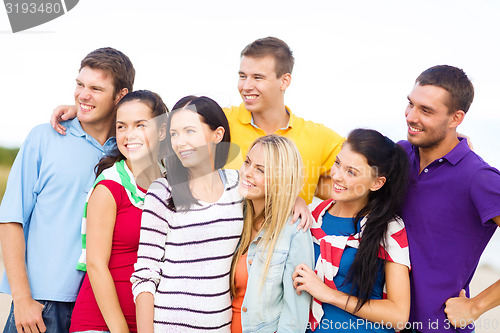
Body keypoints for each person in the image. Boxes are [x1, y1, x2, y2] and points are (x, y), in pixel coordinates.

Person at [50, 37, 344, 205]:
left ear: (284, 80)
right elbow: (155, 119)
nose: (246, 86)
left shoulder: (319, 138)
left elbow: (358, 181)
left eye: (258, 77)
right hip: (221, 267)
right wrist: (89, 111)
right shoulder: (217, 124)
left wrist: (297, 198)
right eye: (242, 76)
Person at [0, 47, 134, 333]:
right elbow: (11, 220)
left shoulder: (128, 150)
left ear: (120, 96)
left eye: (96, 89)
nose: (83, 95)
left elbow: (162, 121)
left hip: (99, 306)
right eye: (80, 85)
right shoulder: (44, 137)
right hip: (41, 304)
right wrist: (22, 298)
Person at [399, 65, 500, 333]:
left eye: (426, 110)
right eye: (411, 104)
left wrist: (476, 306)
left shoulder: (480, 178)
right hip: (383, 319)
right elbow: (346, 174)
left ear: (456, 118)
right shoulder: (400, 154)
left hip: (437, 327)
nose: (411, 116)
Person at [130, 96, 244, 332]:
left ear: (217, 134)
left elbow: (275, 199)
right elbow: (145, 275)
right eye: (174, 134)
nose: (180, 142)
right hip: (169, 325)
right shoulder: (163, 192)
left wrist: (297, 202)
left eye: (189, 131)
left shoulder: (238, 185)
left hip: (220, 326)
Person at [292, 128, 411, 332]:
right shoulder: (312, 216)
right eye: (338, 163)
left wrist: (328, 293)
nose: (337, 176)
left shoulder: (388, 227)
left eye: (351, 172)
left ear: (377, 183)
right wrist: (296, 199)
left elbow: (398, 315)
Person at [69, 90, 168, 333]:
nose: (128, 135)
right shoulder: (110, 186)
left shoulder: (171, 186)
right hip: (103, 323)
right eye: (121, 126)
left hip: (152, 322)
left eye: (140, 125)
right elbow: (95, 265)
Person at [230, 135, 314, 333]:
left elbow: (295, 314)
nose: (247, 173)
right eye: (247, 162)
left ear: (281, 179)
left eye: (260, 169)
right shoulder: (233, 215)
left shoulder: (295, 230)